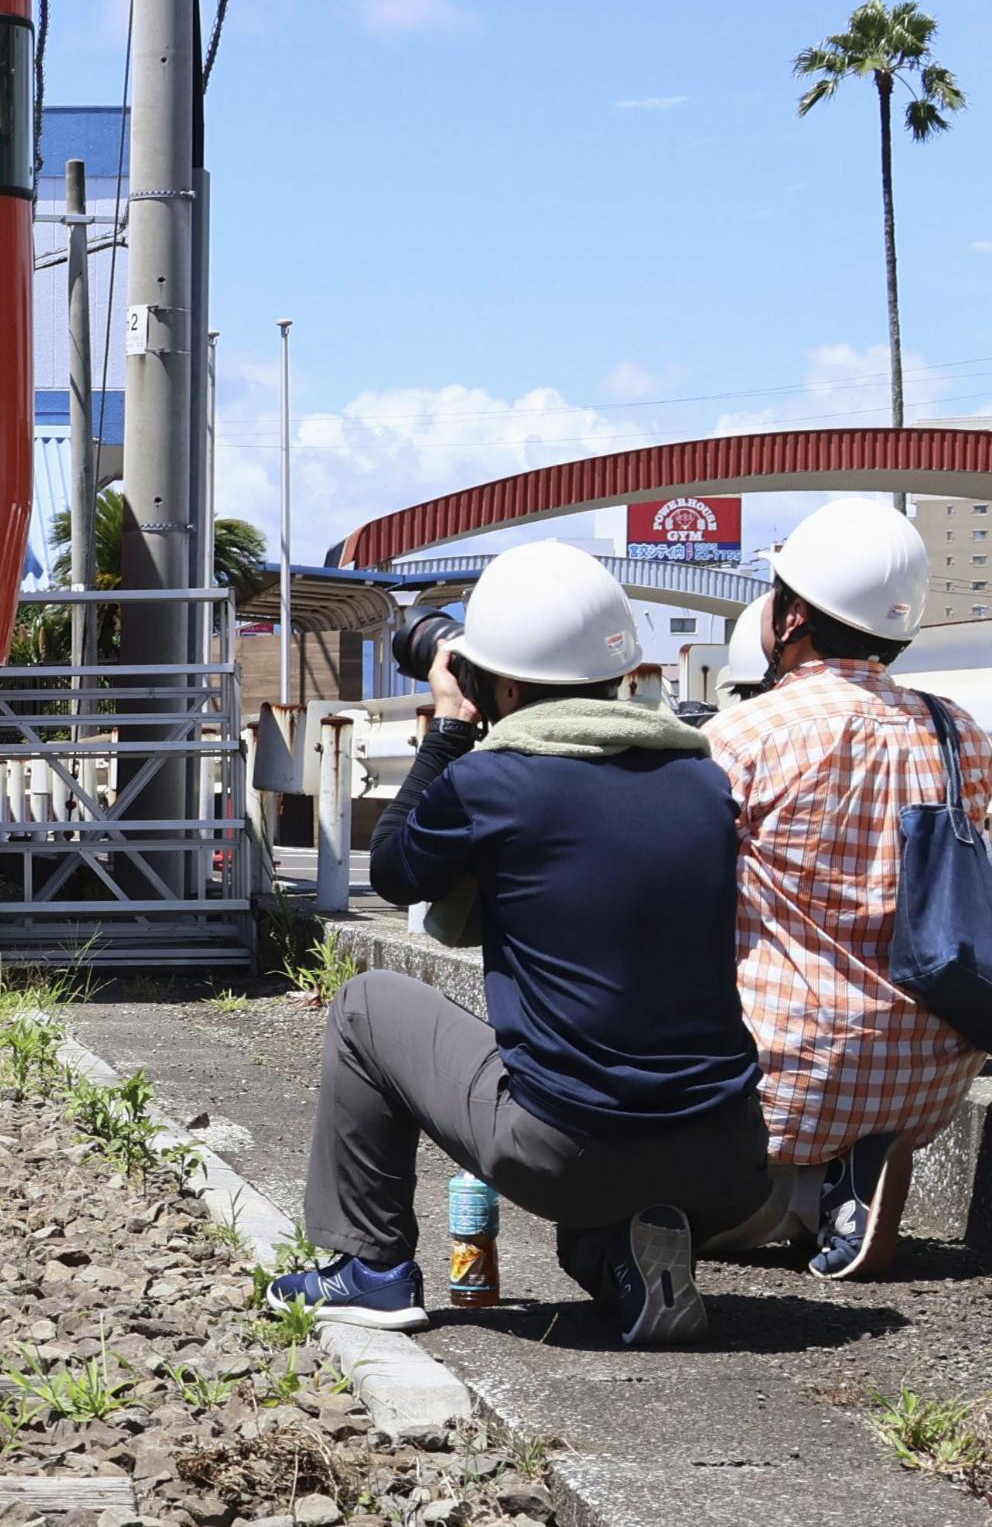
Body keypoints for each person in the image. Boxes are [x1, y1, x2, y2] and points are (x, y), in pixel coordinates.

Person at [267, 541, 770, 1346]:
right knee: (600, 1167)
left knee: (364, 1007)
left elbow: (395, 870)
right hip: (733, 1155)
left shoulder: (494, 782)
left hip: (569, 1152)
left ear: (499, 684)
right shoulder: (702, 782)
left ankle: (371, 1268)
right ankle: (626, 1255)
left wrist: (450, 730)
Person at [702, 498, 992, 1278]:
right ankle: (845, 1184)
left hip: (785, 1082)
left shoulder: (741, 736)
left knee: (627, 1218)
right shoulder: (960, 731)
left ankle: (796, 1195)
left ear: (793, 616)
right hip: (928, 1082)